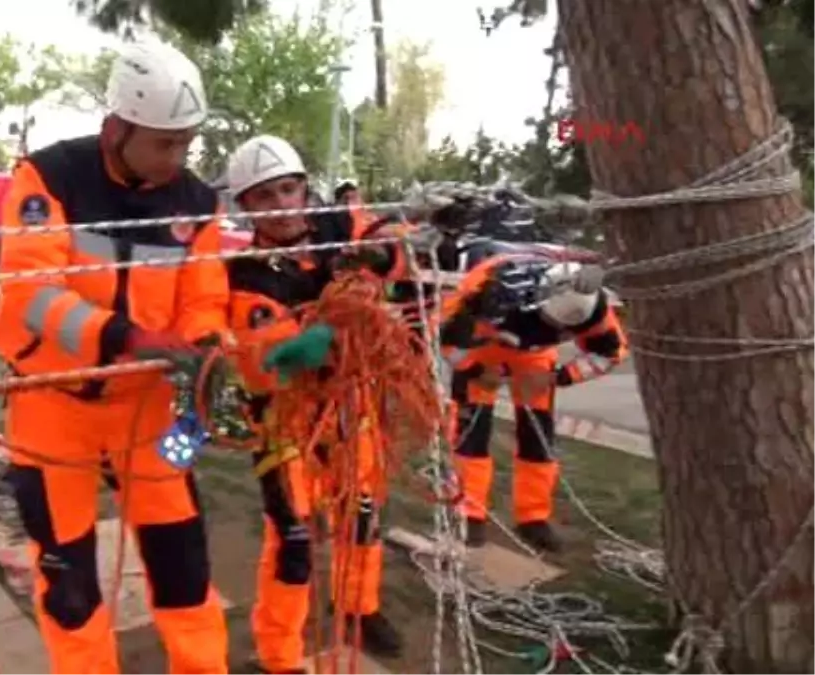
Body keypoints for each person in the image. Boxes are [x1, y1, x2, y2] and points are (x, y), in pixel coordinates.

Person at [0, 39, 231, 674]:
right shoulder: (48, 178)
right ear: (116, 128)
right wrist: (128, 338)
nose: (178, 160)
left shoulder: (197, 202)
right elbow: (31, 294)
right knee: (68, 579)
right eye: (164, 144)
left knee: (183, 563)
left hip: (149, 411)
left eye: (187, 143)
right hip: (50, 405)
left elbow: (205, 296)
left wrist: (205, 343)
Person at [221, 135, 409, 673]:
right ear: (246, 207)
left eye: (287, 188)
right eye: (263, 196)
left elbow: (396, 239)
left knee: (362, 516)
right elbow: (263, 361)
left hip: (351, 404)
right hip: (286, 420)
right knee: (294, 539)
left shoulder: (336, 225)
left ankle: (358, 607)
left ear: (304, 188)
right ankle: (280, 655)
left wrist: (381, 255)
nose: (281, 205)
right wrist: (318, 332)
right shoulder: (245, 273)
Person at [440, 257, 627, 552]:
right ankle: (468, 514)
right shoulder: (487, 291)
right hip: (482, 351)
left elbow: (609, 355)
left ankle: (533, 518)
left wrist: (557, 377)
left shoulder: (592, 308)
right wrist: (475, 371)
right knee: (470, 436)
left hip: (536, 361)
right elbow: (447, 341)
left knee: (537, 439)